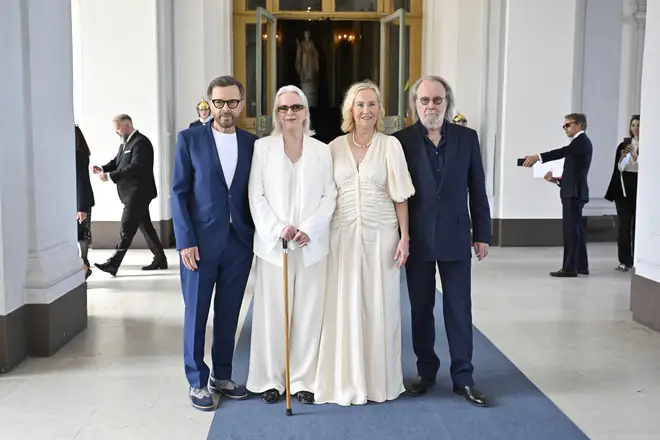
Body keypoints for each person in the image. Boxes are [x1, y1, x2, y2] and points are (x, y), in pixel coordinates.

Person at [393, 75, 491, 407]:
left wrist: (483, 233)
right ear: (415, 104)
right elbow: (394, 195)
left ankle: (463, 377)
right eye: (425, 100)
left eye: (437, 100)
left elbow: (477, 187)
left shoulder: (467, 138)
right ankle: (426, 372)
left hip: (455, 237)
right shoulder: (400, 141)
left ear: (447, 103)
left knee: (459, 310)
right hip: (417, 241)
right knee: (420, 310)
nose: (431, 106)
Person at [314, 81, 414, 406]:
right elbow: (323, 196)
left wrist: (404, 238)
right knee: (343, 305)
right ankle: (344, 379)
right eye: (360, 105)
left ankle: (379, 381)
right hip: (341, 236)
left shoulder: (390, 146)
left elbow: (400, 196)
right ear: (350, 110)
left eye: (372, 104)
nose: (366, 110)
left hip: (381, 236)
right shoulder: (333, 147)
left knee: (379, 305)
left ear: (379, 110)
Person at [172, 76, 258, 411]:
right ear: (209, 103)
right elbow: (178, 194)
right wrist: (185, 242)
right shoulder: (189, 139)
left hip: (238, 243)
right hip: (199, 245)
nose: (225, 109)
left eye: (232, 102)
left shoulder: (253, 144)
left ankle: (222, 375)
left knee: (228, 313)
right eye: (219, 102)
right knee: (196, 314)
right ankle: (196, 381)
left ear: (241, 103)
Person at [246, 85, 336, 405]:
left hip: (311, 247)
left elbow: (329, 196)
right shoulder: (263, 149)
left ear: (305, 111)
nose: (290, 114)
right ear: (276, 113)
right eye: (283, 109)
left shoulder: (322, 150)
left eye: (296, 107)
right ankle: (271, 378)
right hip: (274, 247)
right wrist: (277, 228)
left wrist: (309, 229)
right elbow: (256, 195)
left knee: (308, 314)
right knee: (273, 314)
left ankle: (303, 380)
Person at [92, 115, 168, 275]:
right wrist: (103, 168)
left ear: (126, 125)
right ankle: (160, 258)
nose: (117, 132)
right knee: (146, 227)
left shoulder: (141, 143)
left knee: (127, 228)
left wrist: (111, 177)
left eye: (118, 128)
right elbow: (117, 161)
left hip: (138, 193)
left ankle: (113, 264)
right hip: (132, 193)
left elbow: (136, 167)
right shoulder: (126, 143)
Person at [523, 113, 592, 277]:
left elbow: (562, 152)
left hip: (574, 193)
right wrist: (557, 181)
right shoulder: (578, 144)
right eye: (564, 125)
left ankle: (569, 268)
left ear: (580, 125)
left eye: (568, 125)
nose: (565, 128)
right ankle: (581, 266)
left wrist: (538, 157)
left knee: (571, 231)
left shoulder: (581, 141)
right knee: (576, 231)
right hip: (573, 190)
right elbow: (573, 173)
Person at [605, 114, 640, 272]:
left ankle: (639, 260)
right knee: (623, 226)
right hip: (624, 190)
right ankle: (625, 261)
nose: (635, 128)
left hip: (639, 187)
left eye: (638, 125)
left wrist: (635, 157)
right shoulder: (624, 145)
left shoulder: (650, 144)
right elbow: (619, 169)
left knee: (638, 226)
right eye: (633, 125)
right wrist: (624, 158)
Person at [75, 125, 95, 280]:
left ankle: (85, 265)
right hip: (81, 200)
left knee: (81, 234)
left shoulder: (78, 154)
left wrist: (81, 207)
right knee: (82, 233)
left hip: (80, 201)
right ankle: (84, 265)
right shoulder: (80, 153)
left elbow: (81, 181)